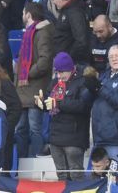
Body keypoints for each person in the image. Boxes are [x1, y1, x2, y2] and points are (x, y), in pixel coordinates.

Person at [38, 52, 94, 181]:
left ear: (71, 68)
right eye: (57, 72)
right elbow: (49, 102)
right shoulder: (54, 83)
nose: (60, 76)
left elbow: (83, 106)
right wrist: (40, 103)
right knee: (61, 176)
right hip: (55, 138)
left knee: (76, 176)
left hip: (74, 138)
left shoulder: (83, 81)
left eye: (62, 72)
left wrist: (58, 103)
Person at [15, 2, 53, 159]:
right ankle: (23, 162)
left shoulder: (42, 32)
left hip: (35, 89)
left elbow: (45, 60)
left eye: (23, 12)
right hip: (23, 90)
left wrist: (27, 73)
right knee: (20, 129)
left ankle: (38, 162)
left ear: (28, 14)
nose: (22, 15)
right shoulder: (28, 33)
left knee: (34, 128)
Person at [49, 0, 91, 65]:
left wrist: (68, 57)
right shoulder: (67, 11)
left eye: (54, 0)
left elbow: (81, 40)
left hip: (74, 63)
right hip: (66, 61)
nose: (53, 3)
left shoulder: (75, 12)